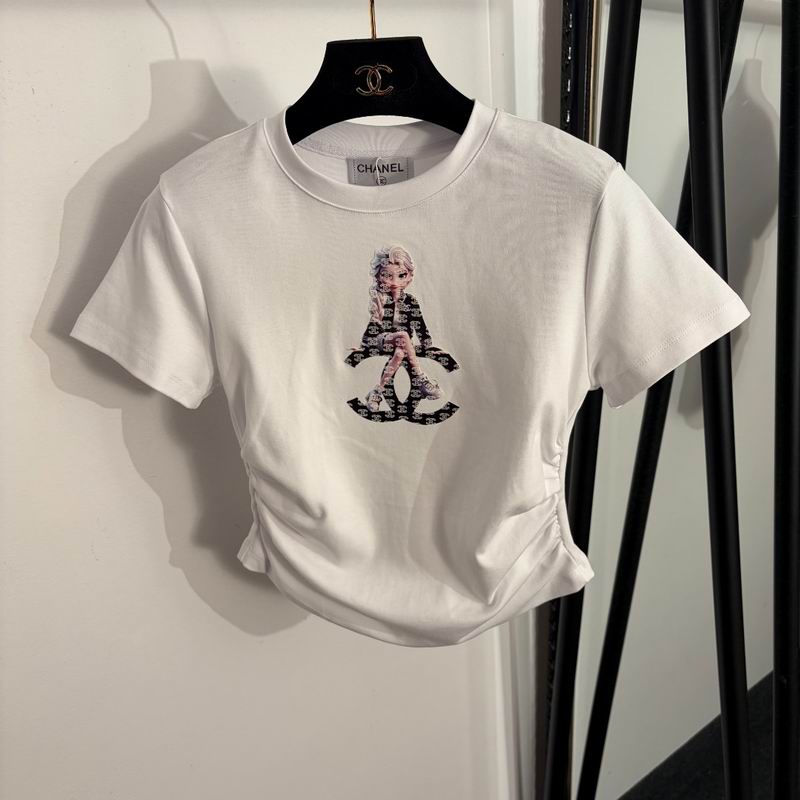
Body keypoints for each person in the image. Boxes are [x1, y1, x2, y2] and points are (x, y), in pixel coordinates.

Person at [349, 245, 443, 413]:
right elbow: (373, 325)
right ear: (379, 276)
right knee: (403, 335)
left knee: (400, 353)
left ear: (409, 276)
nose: (394, 282)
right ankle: (421, 380)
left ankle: (376, 393)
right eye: (387, 275)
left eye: (401, 275)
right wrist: (364, 347)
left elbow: (419, 324)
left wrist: (428, 345)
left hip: (400, 343)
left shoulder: (411, 301)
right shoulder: (381, 299)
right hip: (379, 339)